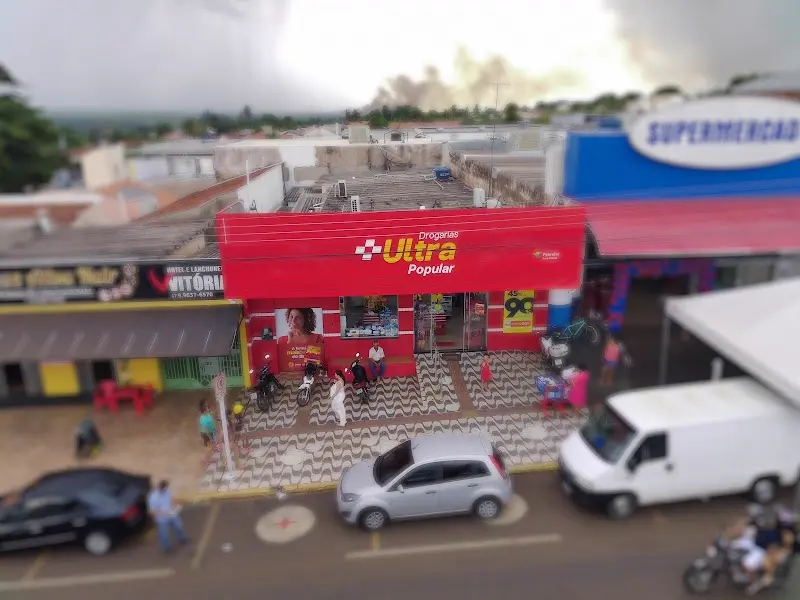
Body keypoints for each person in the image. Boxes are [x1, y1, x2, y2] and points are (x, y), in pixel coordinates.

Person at [147, 480, 188, 553]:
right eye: (165, 489)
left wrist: (177, 505)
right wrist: (165, 513)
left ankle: (182, 538)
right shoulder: (153, 497)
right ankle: (167, 548)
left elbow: (171, 499)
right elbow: (152, 511)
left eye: (167, 488)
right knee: (164, 534)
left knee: (179, 527)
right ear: (161, 488)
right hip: (162, 519)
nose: (166, 490)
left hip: (172, 515)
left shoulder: (167, 491)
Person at [199, 400, 217, 465]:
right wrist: (211, 438)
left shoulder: (207, 414)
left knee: (211, 446)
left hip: (210, 432)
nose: (208, 409)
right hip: (206, 434)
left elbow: (211, 414)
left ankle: (207, 458)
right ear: (204, 411)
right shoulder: (204, 419)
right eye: (207, 409)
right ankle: (205, 459)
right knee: (209, 448)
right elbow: (206, 430)